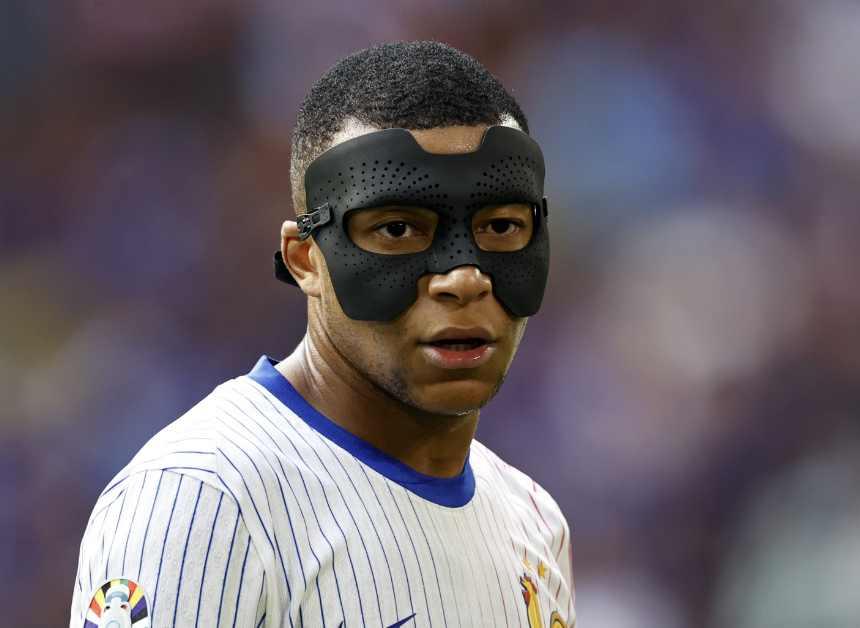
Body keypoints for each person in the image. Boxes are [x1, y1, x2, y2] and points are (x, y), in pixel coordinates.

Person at [70, 41, 574, 628]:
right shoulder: (204, 498)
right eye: (397, 228)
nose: (462, 277)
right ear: (305, 259)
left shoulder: (535, 523)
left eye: (501, 226)